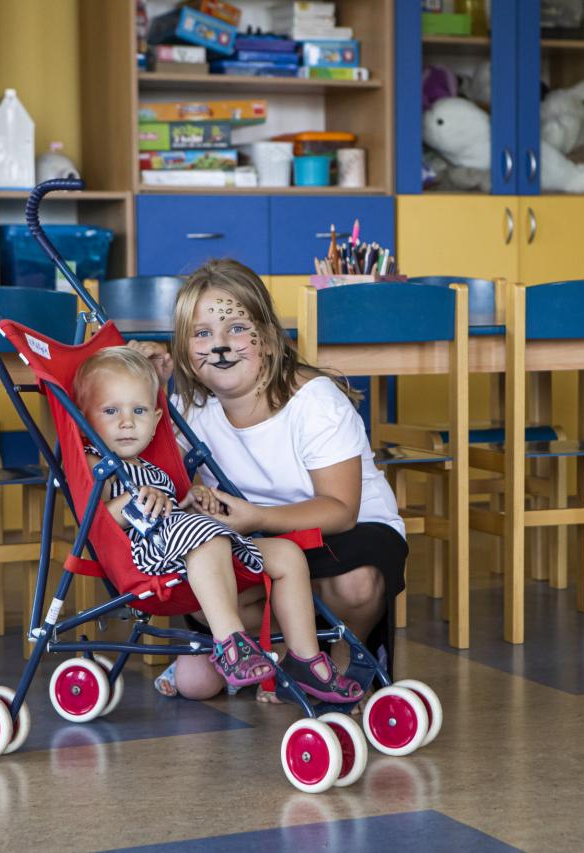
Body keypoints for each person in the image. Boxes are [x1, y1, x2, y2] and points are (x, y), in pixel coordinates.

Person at [132, 258, 408, 701]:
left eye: (237, 328)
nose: (220, 346)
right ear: (183, 350)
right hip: (259, 539)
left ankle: (346, 650)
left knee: (355, 585)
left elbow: (341, 510)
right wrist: (150, 389)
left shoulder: (313, 401)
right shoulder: (190, 409)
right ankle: (283, 652)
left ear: (268, 337)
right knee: (199, 645)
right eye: (202, 334)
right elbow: (151, 480)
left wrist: (256, 516)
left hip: (343, 530)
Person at [74, 345, 362, 703]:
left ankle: (305, 659)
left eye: (139, 411)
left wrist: (190, 499)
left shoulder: (149, 466)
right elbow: (95, 521)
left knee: (286, 553)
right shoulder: (96, 462)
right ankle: (231, 644)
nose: (127, 422)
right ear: (86, 418)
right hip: (143, 556)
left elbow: (170, 512)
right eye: (110, 411)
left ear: (157, 419)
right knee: (206, 536)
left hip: (188, 545)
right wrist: (132, 500)